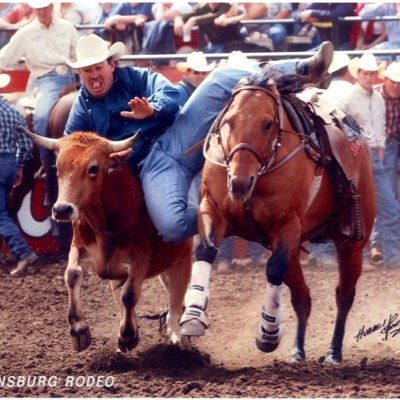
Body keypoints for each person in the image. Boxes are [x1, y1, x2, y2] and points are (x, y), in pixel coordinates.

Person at [63, 34, 334, 245]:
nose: (93, 75)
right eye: (86, 71)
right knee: (173, 226)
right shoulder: (81, 107)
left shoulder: (135, 77)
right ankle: (229, 217)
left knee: (218, 79)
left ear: (111, 64)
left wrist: (152, 109)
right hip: (150, 168)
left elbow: (173, 94)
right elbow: (68, 150)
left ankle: (302, 69)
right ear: (80, 74)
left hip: (176, 138)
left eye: (97, 67)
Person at [338, 53, 400, 268]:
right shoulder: (347, 100)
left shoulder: (378, 99)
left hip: (374, 154)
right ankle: (360, 257)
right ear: (359, 74)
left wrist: (380, 150)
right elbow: (340, 128)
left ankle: (393, 257)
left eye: (373, 73)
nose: (369, 76)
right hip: (356, 155)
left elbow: (380, 128)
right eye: (366, 73)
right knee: (356, 206)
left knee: (390, 207)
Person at [0, 1, 77, 150]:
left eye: (44, 7)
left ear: (50, 7)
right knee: (41, 117)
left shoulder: (67, 27)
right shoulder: (25, 33)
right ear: (34, 9)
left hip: (72, 75)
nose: (41, 12)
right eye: (38, 8)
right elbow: (4, 58)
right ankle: (45, 160)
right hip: (46, 80)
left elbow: (76, 53)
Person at [0, 95, 38, 277]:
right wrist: (18, 165)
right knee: (2, 209)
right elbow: (25, 145)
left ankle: (24, 252)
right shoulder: (13, 111)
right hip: (9, 164)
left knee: (0, 214)